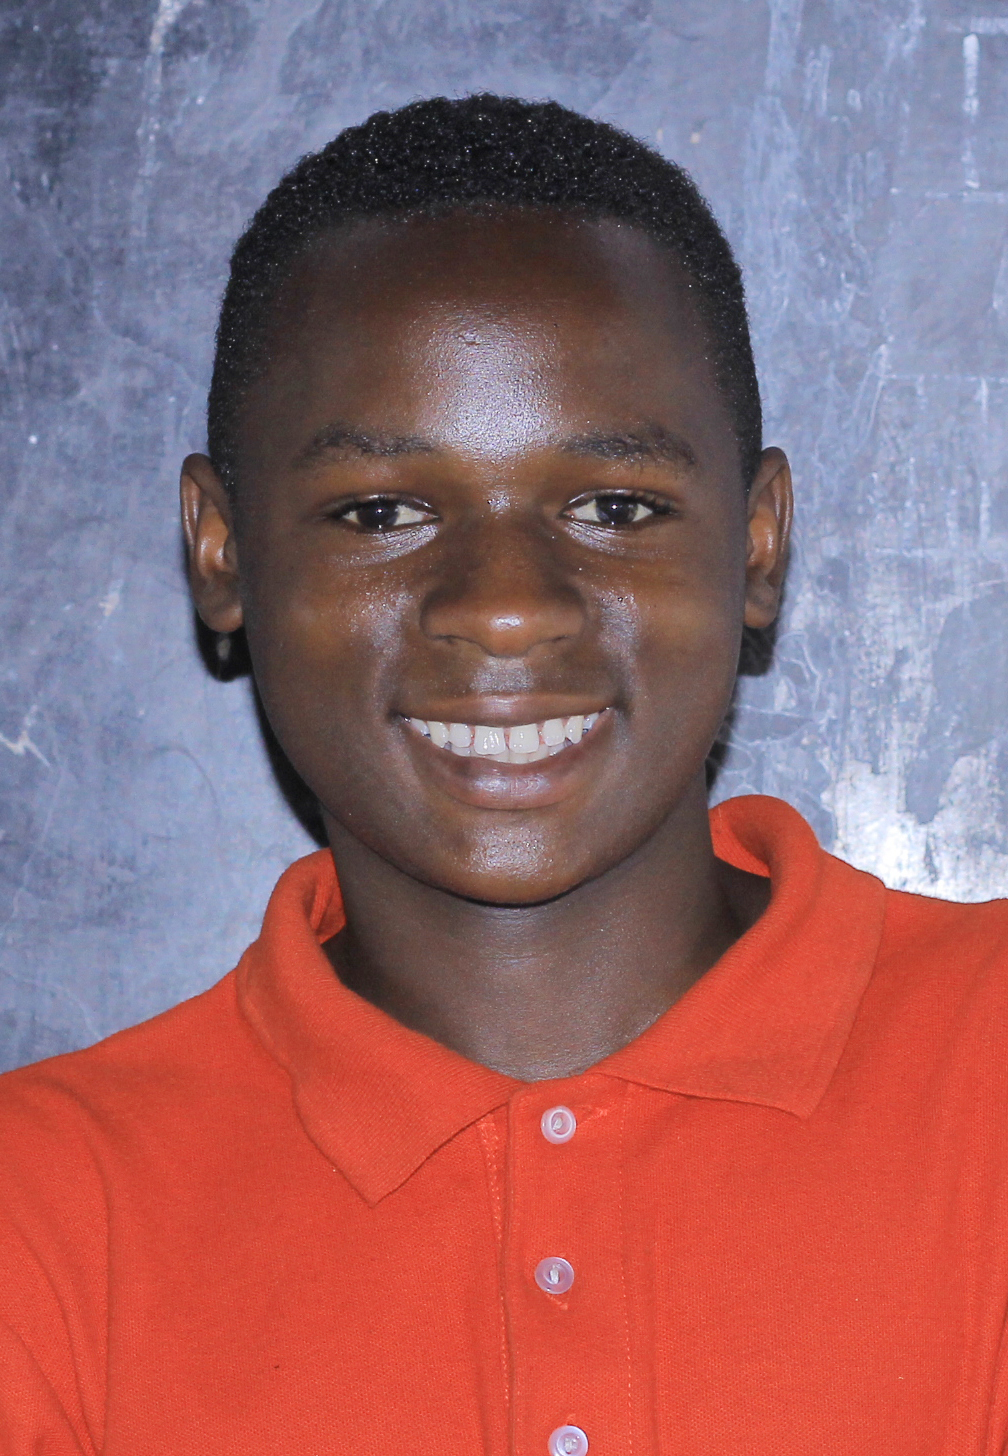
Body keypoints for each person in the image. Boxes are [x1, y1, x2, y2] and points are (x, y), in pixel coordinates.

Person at [1, 93, 1007, 1456]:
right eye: (381, 512)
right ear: (222, 553)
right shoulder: (45, 1216)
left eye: (614, 507)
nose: (507, 608)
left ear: (759, 544)